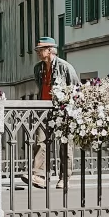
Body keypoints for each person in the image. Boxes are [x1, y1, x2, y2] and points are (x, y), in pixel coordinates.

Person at [31, 37, 80, 188]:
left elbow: (76, 88)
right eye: (38, 50)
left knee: (65, 144)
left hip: (62, 110)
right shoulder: (38, 68)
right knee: (41, 141)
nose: (38, 52)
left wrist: (70, 109)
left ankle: (64, 178)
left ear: (50, 50)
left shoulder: (65, 67)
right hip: (44, 110)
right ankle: (40, 176)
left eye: (41, 49)